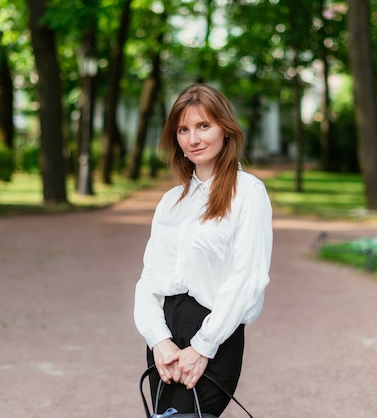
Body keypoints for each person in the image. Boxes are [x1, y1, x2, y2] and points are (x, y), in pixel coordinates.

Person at [134, 83, 273, 416]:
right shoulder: (171, 202)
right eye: (183, 129)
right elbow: (149, 279)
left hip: (213, 333)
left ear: (225, 129)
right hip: (165, 336)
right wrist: (158, 340)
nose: (193, 139)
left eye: (203, 126)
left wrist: (203, 346)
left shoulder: (248, 193)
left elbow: (247, 277)